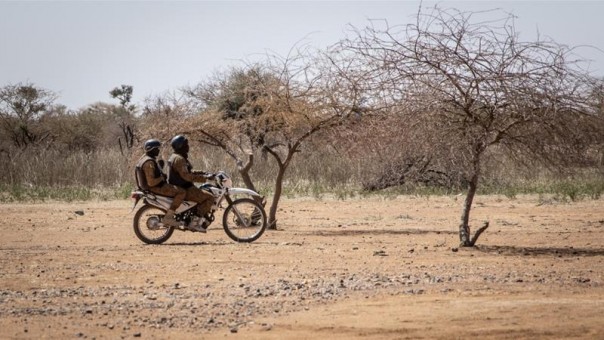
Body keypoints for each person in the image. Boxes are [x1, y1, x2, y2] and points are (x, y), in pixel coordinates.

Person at [167, 135, 215, 232]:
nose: (188, 146)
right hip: (185, 188)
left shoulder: (175, 157)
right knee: (210, 197)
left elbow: (188, 172)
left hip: (181, 186)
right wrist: (204, 178)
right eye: (186, 145)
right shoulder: (179, 159)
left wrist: (204, 173)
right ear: (180, 146)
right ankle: (194, 222)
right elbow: (187, 176)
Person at [135, 139, 186, 228]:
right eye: (156, 148)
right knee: (182, 192)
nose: (158, 150)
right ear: (151, 149)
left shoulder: (143, 159)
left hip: (151, 187)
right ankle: (169, 217)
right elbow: (151, 182)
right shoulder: (149, 162)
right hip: (155, 188)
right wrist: (162, 177)